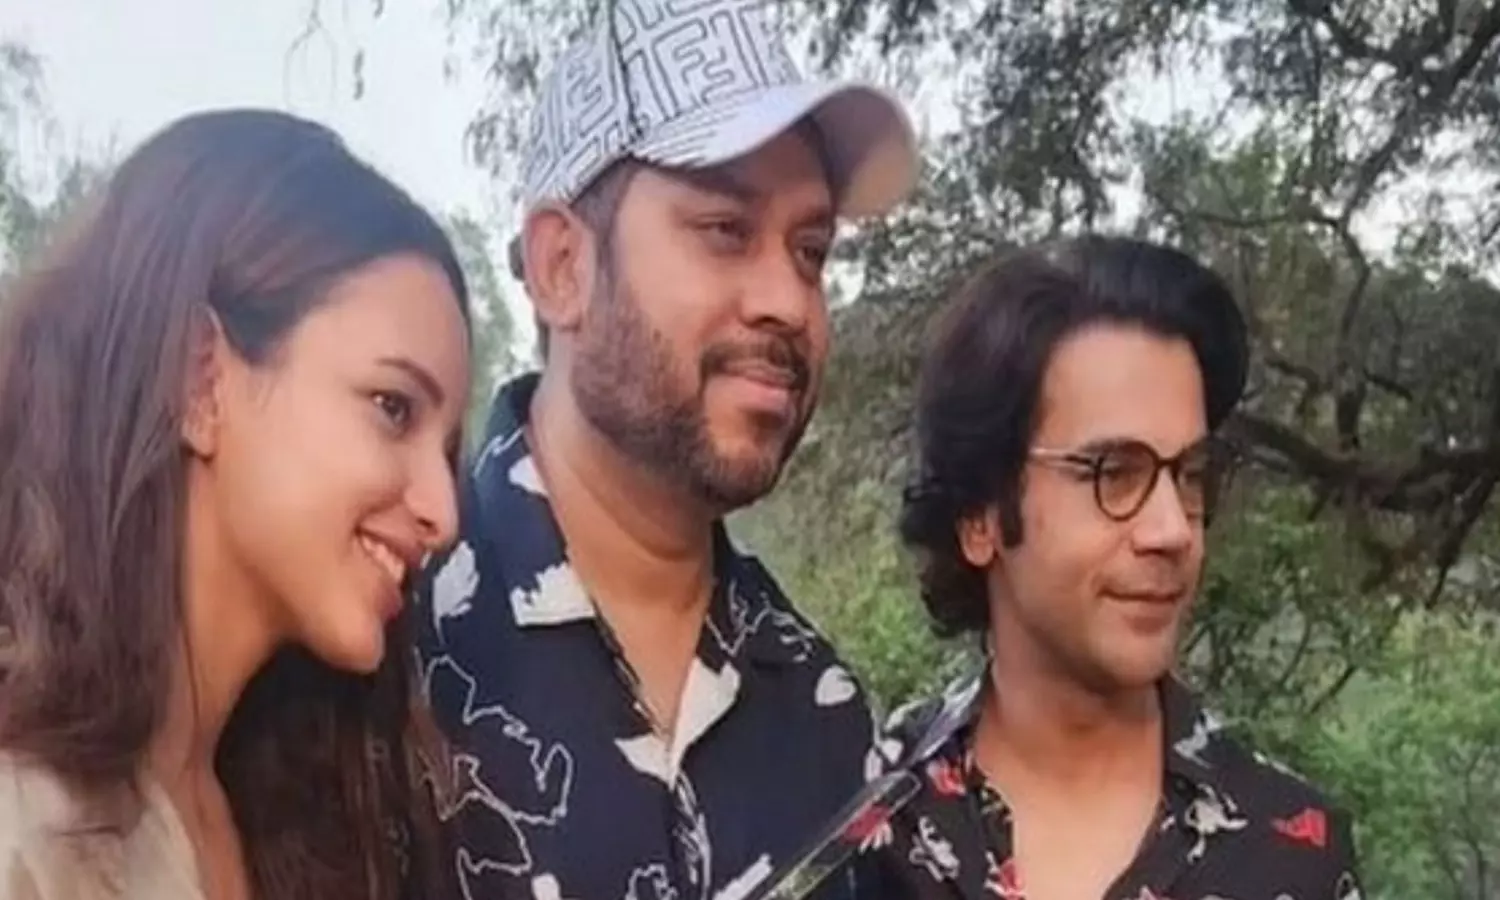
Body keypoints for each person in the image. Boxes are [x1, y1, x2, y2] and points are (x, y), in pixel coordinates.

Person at [409, 0, 919, 898]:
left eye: (810, 252)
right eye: (726, 230)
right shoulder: (389, 647)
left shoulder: (822, 712)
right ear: (563, 268)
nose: (788, 302)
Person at [773, 236, 1364, 899]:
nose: (1173, 530)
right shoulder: (861, 831)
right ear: (979, 515)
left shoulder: (1291, 852)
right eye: (1114, 473)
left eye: (1191, 475)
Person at [0, 109, 472, 900]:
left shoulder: (285, 820)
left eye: (449, 449)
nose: (444, 513)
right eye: (393, 408)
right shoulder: (26, 828)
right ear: (200, 380)